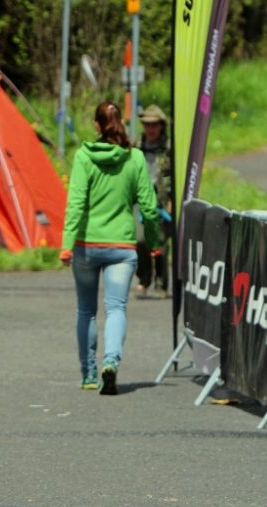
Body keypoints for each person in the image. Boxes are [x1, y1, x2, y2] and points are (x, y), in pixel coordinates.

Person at [60, 101, 161, 395]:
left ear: (96, 125)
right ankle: (111, 362)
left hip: (86, 245)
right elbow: (149, 208)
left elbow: (76, 203)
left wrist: (67, 246)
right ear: (122, 124)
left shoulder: (83, 157)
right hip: (121, 246)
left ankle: (89, 374)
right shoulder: (136, 158)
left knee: (86, 311)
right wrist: (153, 244)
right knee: (116, 308)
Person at [133, 104, 173, 299]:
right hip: (139, 200)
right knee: (140, 240)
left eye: (154, 125)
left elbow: (173, 176)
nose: (150, 129)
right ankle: (144, 278)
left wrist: (171, 201)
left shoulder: (168, 148)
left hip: (161, 201)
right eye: (147, 125)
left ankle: (161, 283)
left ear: (161, 126)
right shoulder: (136, 145)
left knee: (161, 243)